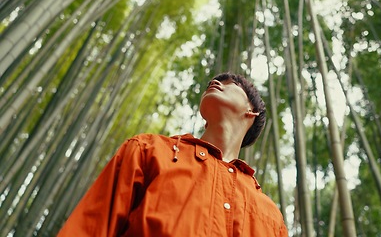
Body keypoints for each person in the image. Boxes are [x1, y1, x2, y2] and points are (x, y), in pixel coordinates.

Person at [57, 73, 288, 236]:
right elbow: (90, 227)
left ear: (251, 112)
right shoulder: (148, 150)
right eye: (216, 80)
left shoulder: (270, 215)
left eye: (232, 83)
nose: (215, 82)